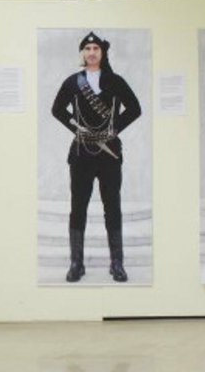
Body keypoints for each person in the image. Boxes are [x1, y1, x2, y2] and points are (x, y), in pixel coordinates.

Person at [51, 32, 141, 283]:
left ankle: (117, 263)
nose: (92, 52)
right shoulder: (73, 82)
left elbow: (135, 109)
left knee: (112, 206)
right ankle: (76, 263)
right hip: (81, 153)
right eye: (88, 48)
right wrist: (76, 128)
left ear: (102, 53)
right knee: (78, 207)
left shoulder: (115, 81)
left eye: (96, 48)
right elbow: (57, 109)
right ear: (83, 53)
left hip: (109, 153)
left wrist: (114, 129)